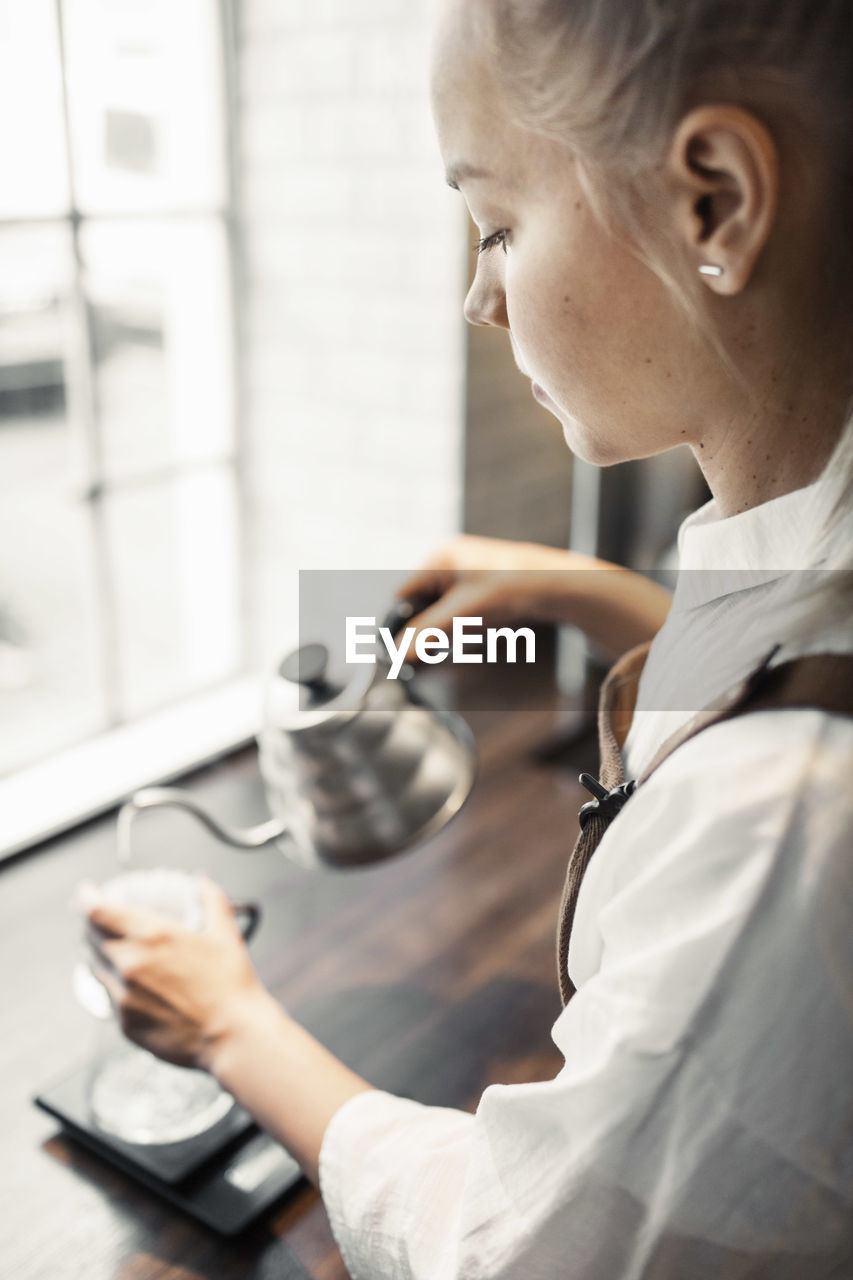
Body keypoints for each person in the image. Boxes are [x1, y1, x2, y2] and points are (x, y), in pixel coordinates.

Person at [81, 0, 853, 1274]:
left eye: (496, 223)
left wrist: (227, 1024)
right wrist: (587, 597)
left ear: (712, 201)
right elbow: (798, 656)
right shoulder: (802, 540)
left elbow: (506, 1248)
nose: (476, 298)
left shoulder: (787, 812)